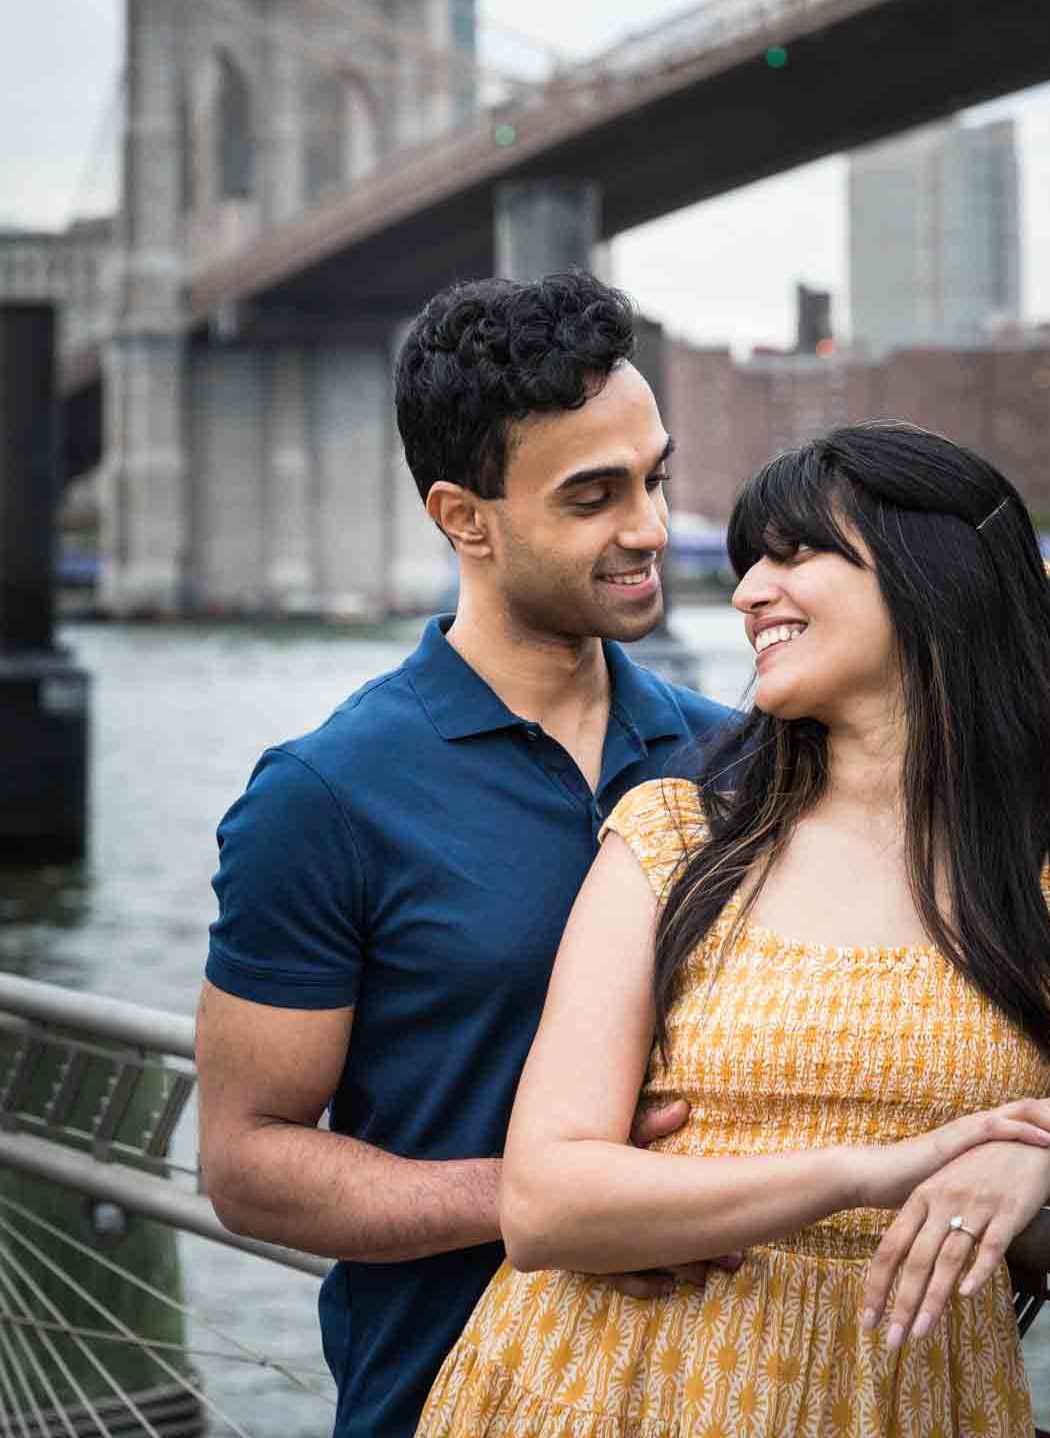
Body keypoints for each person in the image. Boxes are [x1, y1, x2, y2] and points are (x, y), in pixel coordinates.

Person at [416, 421, 1050, 1438]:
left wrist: (1049, 1159)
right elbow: (543, 1202)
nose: (748, 590)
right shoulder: (674, 834)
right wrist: (875, 1168)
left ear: (931, 572)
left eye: (794, 551)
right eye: (749, 560)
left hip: (898, 1400)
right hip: (602, 1389)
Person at [195, 271, 733, 1438]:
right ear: (463, 517)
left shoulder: (739, 760)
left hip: (737, 1391)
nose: (646, 525)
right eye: (592, 495)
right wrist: (554, 1198)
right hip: (446, 1402)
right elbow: (245, 1162)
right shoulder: (323, 795)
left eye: (654, 477)